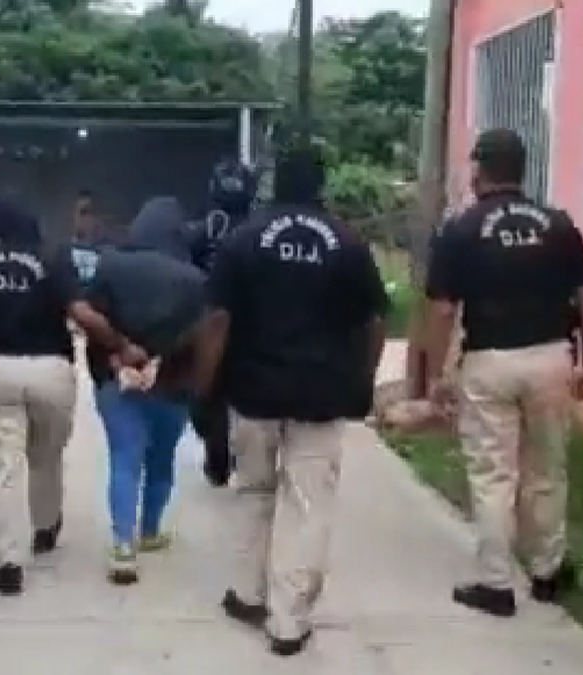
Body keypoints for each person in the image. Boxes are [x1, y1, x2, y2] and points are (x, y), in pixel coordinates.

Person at [194, 145, 389, 656]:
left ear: (274, 184)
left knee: (254, 493)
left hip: (253, 391)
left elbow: (217, 321)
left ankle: (247, 594)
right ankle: (288, 621)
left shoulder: (243, 239)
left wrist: (205, 386)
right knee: (307, 504)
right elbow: (374, 321)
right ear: (320, 186)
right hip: (321, 394)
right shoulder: (347, 242)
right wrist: (363, 380)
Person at [423, 128, 583, 618]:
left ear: (479, 169)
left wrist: (438, 375)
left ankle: (496, 583)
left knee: (493, 474)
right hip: (552, 357)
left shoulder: (461, 230)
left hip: (490, 362)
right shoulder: (557, 225)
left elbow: (443, 309)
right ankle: (547, 572)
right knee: (547, 469)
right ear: (522, 170)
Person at [0, 200, 142, 597]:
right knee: (46, 455)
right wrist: (120, 343)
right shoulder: (54, 258)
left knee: (3, 466)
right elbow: (81, 314)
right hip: (51, 371)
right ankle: (44, 527)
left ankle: (7, 560)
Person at [82, 195, 209, 585]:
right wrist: (163, 360)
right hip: (172, 384)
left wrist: (118, 355)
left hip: (117, 379)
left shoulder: (111, 265)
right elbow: (202, 334)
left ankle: (123, 546)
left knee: (124, 459)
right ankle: (150, 531)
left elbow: (92, 319)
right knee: (161, 459)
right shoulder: (195, 279)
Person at [188, 159, 258, 488]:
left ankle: (220, 456)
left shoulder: (204, 227)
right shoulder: (258, 229)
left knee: (208, 388)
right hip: (248, 320)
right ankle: (232, 453)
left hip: (210, 317)